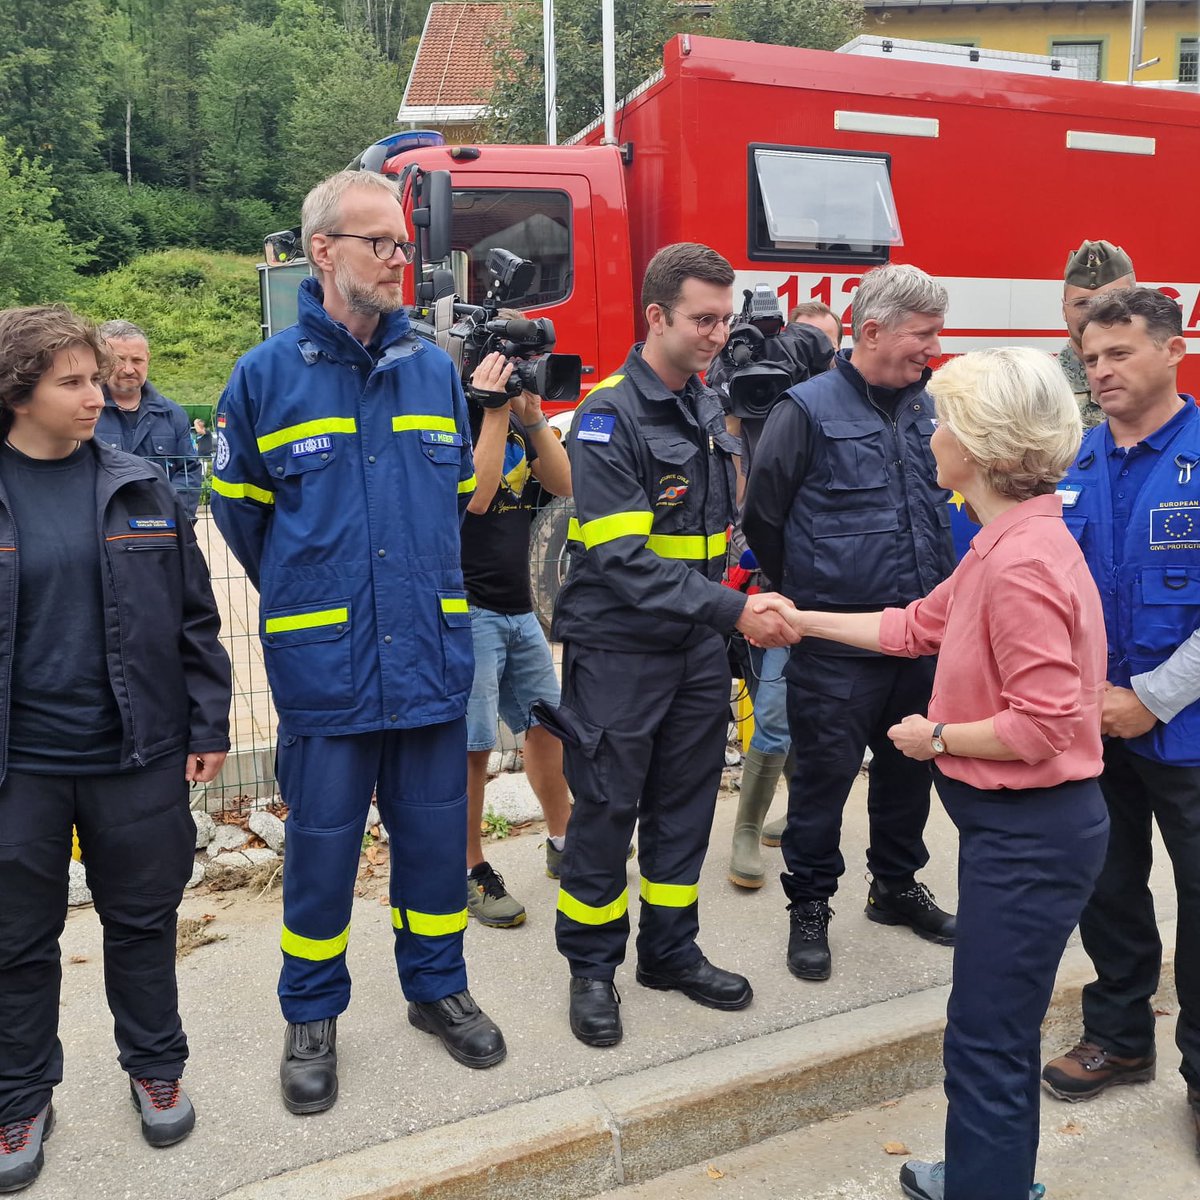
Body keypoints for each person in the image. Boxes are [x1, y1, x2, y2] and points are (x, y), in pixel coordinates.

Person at [764, 346, 1107, 1200]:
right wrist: (800, 618)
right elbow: (915, 625)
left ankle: (987, 1186)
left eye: (945, 421)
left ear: (983, 446)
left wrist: (936, 737)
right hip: (1015, 833)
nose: (931, 435)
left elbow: (1044, 724)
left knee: (987, 1036)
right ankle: (989, 1174)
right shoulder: (1006, 542)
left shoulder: (1021, 564)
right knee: (989, 1027)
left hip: (1030, 837)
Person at [211, 170, 506, 1117]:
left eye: (403, 243)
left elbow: (453, 502)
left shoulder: (432, 371)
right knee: (321, 857)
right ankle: (311, 1015)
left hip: (427, 659)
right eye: (379, 243)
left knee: (433, 846)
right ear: (323, 251)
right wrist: (318, 597)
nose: (399, 259)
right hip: (327, 671)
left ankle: (437, 989)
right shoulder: (263, 378)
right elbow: (244, 520)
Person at [0, 305, 231, 1193]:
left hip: (135, 755)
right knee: (16, 939)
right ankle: (21, 1096)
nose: (98, 394)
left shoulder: (140, 487)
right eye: (74, 382)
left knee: (142, 922)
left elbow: (195, 619)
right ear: (18, 392)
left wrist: (206, 723)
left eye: (98, 377)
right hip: (18, 767)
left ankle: (156, 1066)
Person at [549, 242, 792, 1047]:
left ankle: (669, 951)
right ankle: (592, 969)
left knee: (685, 808)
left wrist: (734, 607)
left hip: (694, 649)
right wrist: (735, 611)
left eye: (725, 318)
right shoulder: (609, 415)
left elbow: (716, 535)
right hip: (620, 652)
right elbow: (622, 559)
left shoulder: (704, 403)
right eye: (703, 319)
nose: (719, 334)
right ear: (657, 316)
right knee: (606, 809)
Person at [742, 263, 957, 983]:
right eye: (923, 334)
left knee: (909, 774)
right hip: (836, 646)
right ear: (872, 331)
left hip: (918, 640)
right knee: (822, 785)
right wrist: (810, 600)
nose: (933, 348)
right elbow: (763, 518)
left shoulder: (933, 408)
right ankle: (810, 904)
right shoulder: (804, 410)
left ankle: (894, 886)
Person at [1041, 287, 1200, 1153]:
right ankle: (1120, 1037)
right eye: (1090, 357)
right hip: (1092, 727)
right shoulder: (1072, 462)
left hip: (1187, 730)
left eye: (1119, 353)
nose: (1099, 371)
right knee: (1106, 887)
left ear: (1173, 350)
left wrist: (1153, 698)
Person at [459, 348, 574, 927]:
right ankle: (468, 868)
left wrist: (532, 417)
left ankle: (564, 839)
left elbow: (565, 483)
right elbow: (477, 497)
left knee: (546, 725)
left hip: (518, 608)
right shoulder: (458, 420)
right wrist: (493, 409)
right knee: (472, 747)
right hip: (468, 610)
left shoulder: (520, 425)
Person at [94, 321, 201, 521]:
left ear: (148, 359)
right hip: (100, 528)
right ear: (100, 360)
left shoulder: (172, 415)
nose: (128, 369)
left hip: (162, 528)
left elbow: (189, 472)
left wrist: (176, 521)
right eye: (119, 360)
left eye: (137, 360)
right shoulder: (86, 412)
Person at [1058, 239, 1136, 429]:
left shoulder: (1152, 378)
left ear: (1135, 305)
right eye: (1082, 303)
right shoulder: (1045, 389)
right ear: (1064, 310)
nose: (1096, 313)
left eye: (1112, 301)